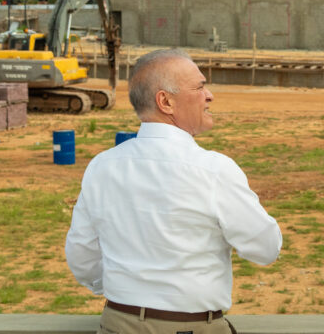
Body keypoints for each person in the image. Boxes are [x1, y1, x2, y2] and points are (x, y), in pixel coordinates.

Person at [65, 48, 282, 334]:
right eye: (199, 87)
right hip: (192, 327)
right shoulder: (213, 170)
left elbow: (81, 254)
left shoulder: (102, 166)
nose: (209, 95)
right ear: (165, 101)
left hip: (118, 323)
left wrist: (126, 291)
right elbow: (266, 249)